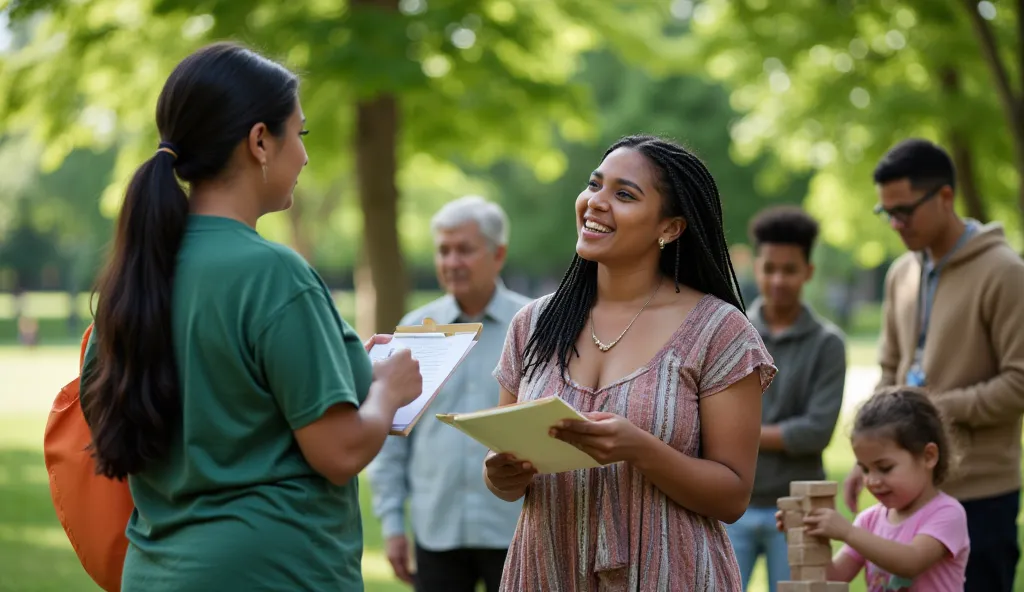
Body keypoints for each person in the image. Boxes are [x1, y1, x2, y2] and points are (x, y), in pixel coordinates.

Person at [79, 42, 423, 591]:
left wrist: (341, 367)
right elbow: (338, 452)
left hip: (154, 573)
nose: (305, 156)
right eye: (301, 135)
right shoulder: (272, 274)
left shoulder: (134, 277)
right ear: (260, 141)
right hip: (273, 574)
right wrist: (387, 389)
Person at [483, 134, 778, 590]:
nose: (596, 202)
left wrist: (639, 449)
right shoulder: (533, 325)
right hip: (546, 573)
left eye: (624, 195)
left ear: (671, 227)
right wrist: (500, 474)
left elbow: (733, 495)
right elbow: (509, 480)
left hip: (671, 575)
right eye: (594, 185)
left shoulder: (718, 330)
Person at [844, 138, 1024, 592]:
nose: (895, 224)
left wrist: (930, 408)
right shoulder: (899, 274)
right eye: (886, 213)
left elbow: (1019, 383)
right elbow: (888, 372)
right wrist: (869, 456)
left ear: (945, 197)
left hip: (980, 488)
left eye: (903, 210)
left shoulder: (1004, 272)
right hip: (908, 492)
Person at [367, 196, 531, 592]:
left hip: (513, 530)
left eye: (464, 250)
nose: (451, 261)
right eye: (443, 250)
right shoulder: (415, 327)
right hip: (436, 530)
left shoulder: (531, 325)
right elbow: (392, 435)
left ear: (499, 253)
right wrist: (392, 524)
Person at [726, 206, 847, 592]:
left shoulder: (828, 344)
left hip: (801, 505)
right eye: (770, 268)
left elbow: (815, 432)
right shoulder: (731, 332)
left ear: (808, 271)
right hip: (730, 504)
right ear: (756, 267)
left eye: (790, 270)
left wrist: (739, 433)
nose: (778, 279)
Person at [778, 387, 969, 591]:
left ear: (928, 456)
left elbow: (911, 562)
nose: (872, 480)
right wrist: (802, 535)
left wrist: (848, 532)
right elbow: (833, 577)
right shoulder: (869, 520)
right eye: (865, 469)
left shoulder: (947, 514)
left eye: (885, 468)